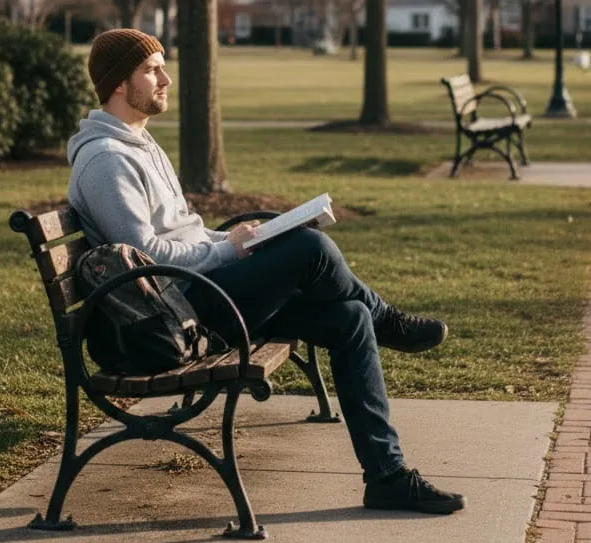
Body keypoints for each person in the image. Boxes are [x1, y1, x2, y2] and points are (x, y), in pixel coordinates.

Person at [67, 28, 465, 516]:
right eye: (151, 70)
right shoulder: (106, 161)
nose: (166, 78)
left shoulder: (138, 143)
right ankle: (389, 321)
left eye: (162, 66)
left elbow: (184, 231)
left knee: (347, 319)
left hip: (202, 292)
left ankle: (387, 474)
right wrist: (231, 252)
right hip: (181, 313)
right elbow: (150, 257)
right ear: (117, 84)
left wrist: (233, 240)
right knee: (311, 248)